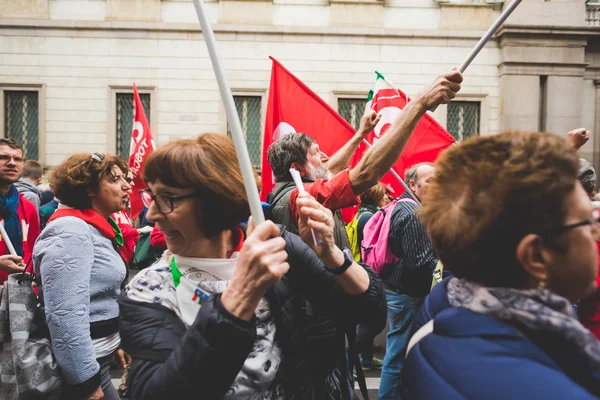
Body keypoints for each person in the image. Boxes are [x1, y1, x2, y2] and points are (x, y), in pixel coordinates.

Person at [118, 134, 387, 399]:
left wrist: (331, 256)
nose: (152, 214)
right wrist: (240, 295)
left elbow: (370, 312)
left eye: (167, 199)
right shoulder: (147, 289)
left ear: (216, 202)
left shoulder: (279, 248)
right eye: (150, 196)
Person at [403, 131, 600, 399]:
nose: (596, 233)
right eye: (588, 221)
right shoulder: (552, 390)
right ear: (536, 257)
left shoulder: (445, 304)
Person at [266, 70, 463, 249]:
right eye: (317, 153)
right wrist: (419, 104)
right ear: (298, 168)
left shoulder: (291, 191)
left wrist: (360, 134)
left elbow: (332, 168)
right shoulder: (303, 196)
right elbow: (365, 174)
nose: (326, 157)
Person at [33, 152, 133, 400]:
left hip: (99, 360)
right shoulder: (71, 229)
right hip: (82, 373)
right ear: (89, 188)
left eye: (124, 178)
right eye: (114, 179)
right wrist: (84, 381)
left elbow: (100, 295)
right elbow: (64, 313)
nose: (126, 185)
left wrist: (116, 342)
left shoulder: (94, 227)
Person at [377, 162, 437, 399]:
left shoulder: (403, 205)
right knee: (397, 359)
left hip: (399, 291)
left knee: (399, 355)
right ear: (413, 184)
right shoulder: (413, 213)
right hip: (406, 295)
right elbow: (420, 264)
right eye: (432, 181)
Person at [351, 183, 390, 371]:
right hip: (366, 271)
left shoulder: (363, 213)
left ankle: (365, 357)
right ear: (376, 197)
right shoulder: (369, 217)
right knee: (375, 320)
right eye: (384, 195)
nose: (387, 198)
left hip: (363, 269)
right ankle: (351, 359)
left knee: (368, 318)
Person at [0, 138, 40, 284]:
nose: (12, 163)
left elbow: (33, 250)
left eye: (17, 159)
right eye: (3, 157)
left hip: (19, 293)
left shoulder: (27, 206)